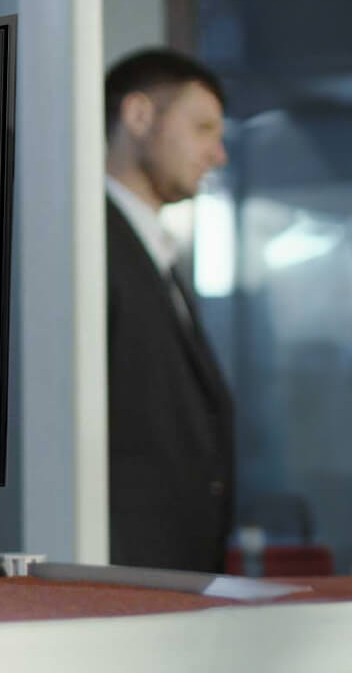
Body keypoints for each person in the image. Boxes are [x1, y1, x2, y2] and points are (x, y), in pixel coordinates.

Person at [103, 48, 233, 573]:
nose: (217, 153)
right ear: (138, 116)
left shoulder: (158, 253)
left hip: (170, 587)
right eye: (202, 128)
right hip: (118, 587)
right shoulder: (86, 245)